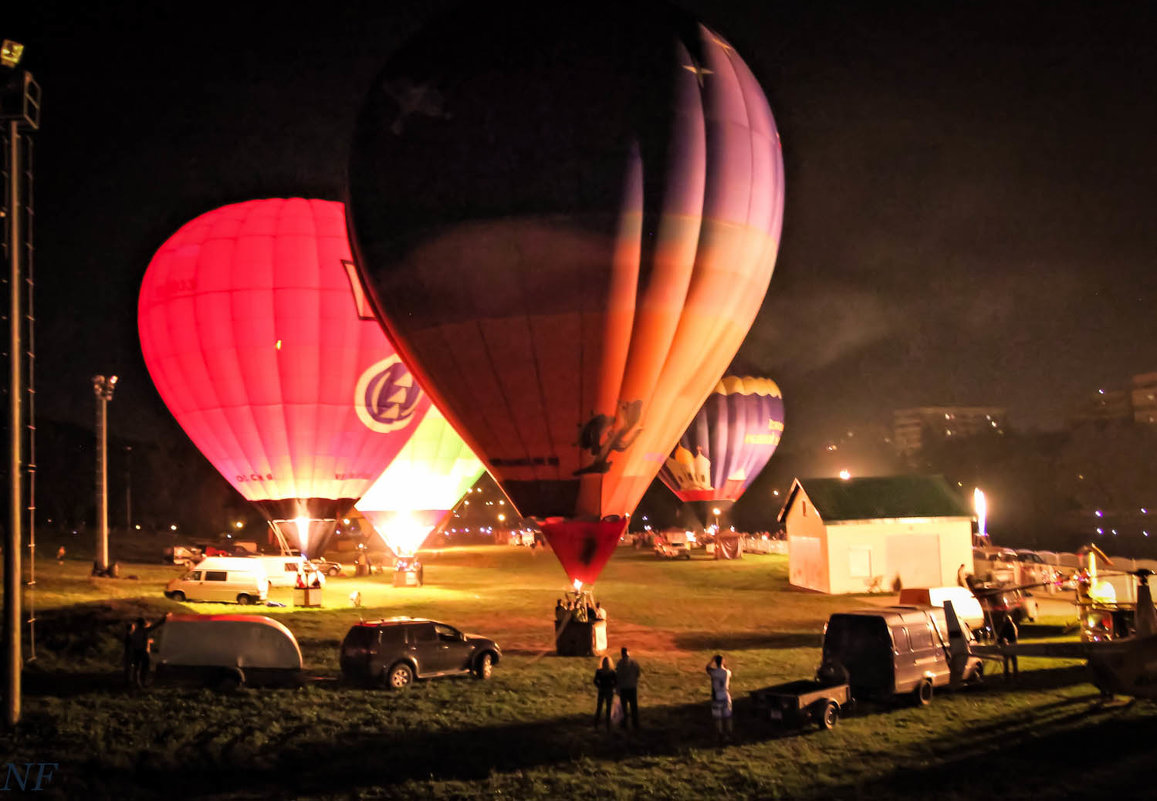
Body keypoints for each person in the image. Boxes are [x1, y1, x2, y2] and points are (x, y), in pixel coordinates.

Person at [127, 614, 166, 688]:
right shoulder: (144, 630)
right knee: (144, 668)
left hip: (136, 651)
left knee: (137, 668)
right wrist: (163, 619)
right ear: (143, 624)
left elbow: (134, 642)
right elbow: (155, 626)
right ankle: (142, 682)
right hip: (143, 652)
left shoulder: (135, 632)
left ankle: (136, 682)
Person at [706, 654, 733, 741]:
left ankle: (720, 734)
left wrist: (712, 660)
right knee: (728, 717)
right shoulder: (727, 672)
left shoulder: (714, 673)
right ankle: (729, 734)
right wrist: (723, 663)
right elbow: (726, 669)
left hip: (717, 696)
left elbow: (707, 668)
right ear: (723, 662)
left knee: (718, 718)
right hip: (726, 695)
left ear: (716, 662)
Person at [615, 646, 641, 730]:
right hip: (632, 687)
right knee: (634, 707)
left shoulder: (619, 663)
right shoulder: (634, 662)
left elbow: (617, 676)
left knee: (624, 708)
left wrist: (617, 687)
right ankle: (635, 724)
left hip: (623, 688)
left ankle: (624, 724)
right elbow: (638, 673)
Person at [592, 656, 617, 729]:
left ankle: (596, 723)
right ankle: (608, 725)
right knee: (608, 708)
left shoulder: (599, 671)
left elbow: (595, 681)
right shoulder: (612, 672)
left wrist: (599, 686)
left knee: (599, 707)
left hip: (602, 690)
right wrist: (612, 686)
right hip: (609, 691)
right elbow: (616, 682)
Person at [998, 613, 1019, 680]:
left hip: (1009, 645)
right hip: (1014, 644)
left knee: (1006, 660)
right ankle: (1015, 673)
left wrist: (999, 640)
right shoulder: (1013, 625)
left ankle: (1007, 673)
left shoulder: (1007, 626)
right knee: (1013, 660)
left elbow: (1002, 635)